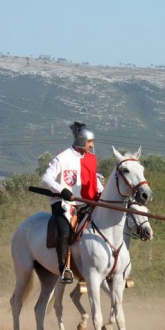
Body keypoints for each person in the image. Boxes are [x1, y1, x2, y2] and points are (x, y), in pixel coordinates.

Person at [41, 122, 103, 284]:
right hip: (64, 204)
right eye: (90, 142)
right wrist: (62, 190)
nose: (92, 145)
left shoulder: (90, 159)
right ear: (82, 140)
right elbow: (46, 178)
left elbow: (94, 180)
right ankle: (64, 269)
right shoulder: (62, 158)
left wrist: (102, 192)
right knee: (64, 231)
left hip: (86, 203)